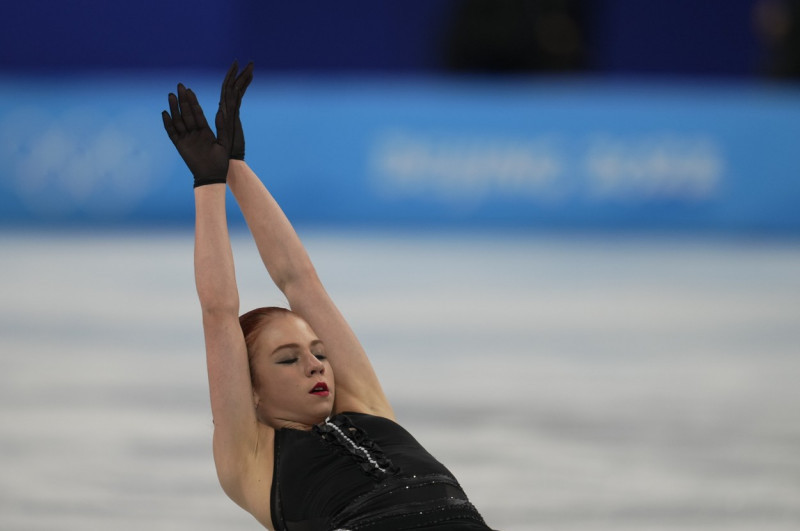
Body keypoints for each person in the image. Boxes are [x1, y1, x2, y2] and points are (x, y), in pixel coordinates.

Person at [161, 62, 492, 530]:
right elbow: (219, 312)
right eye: (287, 359)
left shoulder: (365, 405)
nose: (316, 364)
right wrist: (209, 184)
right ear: (250, 389)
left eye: (317, 352)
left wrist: (237, 167)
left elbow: (300, 280)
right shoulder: (251, 459)